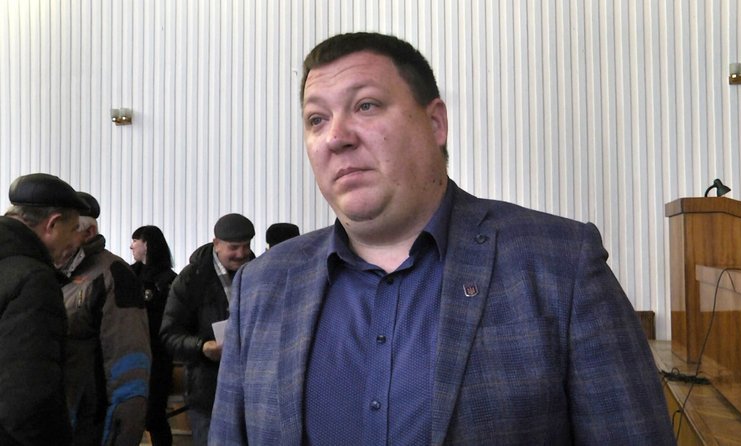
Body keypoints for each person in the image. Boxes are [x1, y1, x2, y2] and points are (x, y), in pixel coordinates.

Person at [210, 32, 676, 445]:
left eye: (365, 105)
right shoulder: (263, 286)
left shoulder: (561, 264)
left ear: (435, 124)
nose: (336, 137)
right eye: (316, 119)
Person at [0, 173, 87, 445]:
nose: (76, 242)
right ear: (52, 224)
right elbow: (28, 396)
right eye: (73, 229)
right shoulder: (33, 280)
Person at [59, 192, 151, 446]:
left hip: (90, 419)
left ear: (87, 233)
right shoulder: (44, 271)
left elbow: (129, 351)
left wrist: (125, 421)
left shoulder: (113, 274)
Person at [160, 213, 256, 446]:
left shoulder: (259, 272)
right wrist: (202, 347)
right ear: (216, 244)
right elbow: (169, 335)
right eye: (234, 247)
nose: (242, 253)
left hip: (253, 391)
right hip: (208, 393)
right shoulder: (191, 280)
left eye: (246, 246)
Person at [130, 226, 178, 446]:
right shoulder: (129, 274)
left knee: (154, 415)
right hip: (132, 352)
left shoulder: (168, 280)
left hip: (158, 354)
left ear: (147, 244)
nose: (131, 246)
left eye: (135, 241)